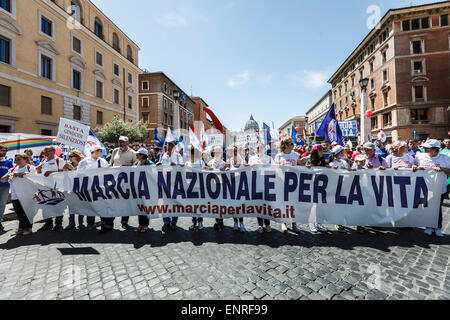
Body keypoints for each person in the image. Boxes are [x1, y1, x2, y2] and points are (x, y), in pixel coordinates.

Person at [413, 139, 450, 238]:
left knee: (437, 208)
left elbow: (449, 172)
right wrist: (415, 167)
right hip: (424, 187)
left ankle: (438, 228)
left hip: (439, 188)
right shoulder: (420, 156)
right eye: (424, 147)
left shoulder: (445, 158)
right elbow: (414, 166)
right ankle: (428, 226)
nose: (424, 149)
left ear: (435, 149)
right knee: (427, 207)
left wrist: (442, 169)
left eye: (427, 148)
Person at [1, 153, 37, 236]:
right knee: (19, 212)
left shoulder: (30, 168)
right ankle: (21, 228)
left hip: (27, 195)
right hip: (15, 195)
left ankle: (28, 228)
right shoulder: (12, 169)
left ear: (25, 159)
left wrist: (24, 174)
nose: (16, 161)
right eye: (15, 159)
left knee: (27, 212)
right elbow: (2, 180)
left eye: (19, 159)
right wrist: (8, 176)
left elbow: (35, 177)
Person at [274, 137, 304, 234]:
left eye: (292, 143)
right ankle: (283, 223)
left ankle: (294, 224)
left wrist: (306, 166)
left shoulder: (295, 155)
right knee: (284, 203)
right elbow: (274, 167)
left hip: (294, 183)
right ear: (285, 145)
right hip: (282, 182)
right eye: (291, 143)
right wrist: (277, 165)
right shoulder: (279, 156)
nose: (293, 145)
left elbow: (300, 166)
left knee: (294, 203)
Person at [109, 136, 137, 230]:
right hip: (115, 180)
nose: (122, 144)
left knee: (125, 202)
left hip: (127, 181)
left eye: (123, 142)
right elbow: (111, 163)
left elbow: (137, 166)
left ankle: (124, 222)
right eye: (120, 142)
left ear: (128, 142)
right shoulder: (115, 151)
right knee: (112, 201)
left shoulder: (133, 153)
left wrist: (128, 166)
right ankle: (109, 222)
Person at [157, 140, 184, 232]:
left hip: (175, 182)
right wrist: (158, 164)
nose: (169, 147)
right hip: (165, 181)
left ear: (174, 147)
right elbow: (159, 165)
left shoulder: (177, 155)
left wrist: (176, 165)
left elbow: (183, 166)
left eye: (171, 145)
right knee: (165, 203)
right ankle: (166, 222)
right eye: (168, 145)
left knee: (174, 202)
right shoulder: (163, 155)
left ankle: (174, 222)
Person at [36, 146, 65, 231]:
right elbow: (40, 172)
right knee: (45, 204)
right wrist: (38, 170)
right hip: (44, 186)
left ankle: (58, 223)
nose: (45, 153)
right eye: (44, 151)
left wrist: (51, 172)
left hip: (56, 186)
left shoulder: (59, 160)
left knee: (58, 204)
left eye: (47, 151)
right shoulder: (44, 161)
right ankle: (48, 223)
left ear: (53, 151)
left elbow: (63, 172)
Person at [249, 143, 272, 233]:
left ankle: (268, 224)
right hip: (256, 185)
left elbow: (274, 170)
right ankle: (260, 225)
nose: (259, 149)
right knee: (258, 205)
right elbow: (248, 170)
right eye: (258, 148)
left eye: (261, 147)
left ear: (264, 148)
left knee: (266, 205)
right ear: (256, 149)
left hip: (266, 185)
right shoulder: (252, 159)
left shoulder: (268, 158)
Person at [305, 145, 329, 233]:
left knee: (320, 206)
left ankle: (319, 223)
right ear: (315, 152)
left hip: (322, 187)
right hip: (312, 186)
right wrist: (307, 167)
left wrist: (331, 168)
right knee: (313, 206)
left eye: (322, 151)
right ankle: (311, 223)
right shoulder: (309, 161)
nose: (322, 152)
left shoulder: (323, 162)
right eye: (320, 151)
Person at [226, 146, 247, 233]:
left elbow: (249, 168)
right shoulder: (229, 161)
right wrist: (226, 169)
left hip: (241, 188)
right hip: (232, 187)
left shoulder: (243, 161)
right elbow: (224, 170)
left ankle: (241, 223)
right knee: (234, 206)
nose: (234, 153)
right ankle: (235, 223)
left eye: (236, 151)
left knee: (240, 206)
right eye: (233, 151)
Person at [185, 146, 207, 231]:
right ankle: (194, 222)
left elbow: (205, 173)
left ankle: (200, 222)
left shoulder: (200, 162)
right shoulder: (187, 163)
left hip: (199, 188)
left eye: (189, 152)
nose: (187, 154)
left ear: (192, 153)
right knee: (192, 207)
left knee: (199, 205)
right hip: (190, 188)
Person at [63, 150, 85, 230]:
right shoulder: (68, 165)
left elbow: (82, 175)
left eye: (71, 156)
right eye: (69, 157)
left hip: (80, 188)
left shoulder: (82, 164)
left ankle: (80, 223)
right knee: (71, 206)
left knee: (81, 206)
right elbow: (64, 176)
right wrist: (64, 170)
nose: (70, 158)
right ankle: (71, 223)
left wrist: (72, 169)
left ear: (77, 156)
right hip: (70, 188)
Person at [134, 148, 154, 233]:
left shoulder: (151, 164)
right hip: (138, 188)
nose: (136, 155)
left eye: (138, 154)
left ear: (143, 155)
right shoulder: (136, 163)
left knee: (146, 207)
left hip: (148, 189)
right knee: (140, 207)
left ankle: (145, 225)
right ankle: (140, 224)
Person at [208, 146, 227, 232]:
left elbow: (228, 171)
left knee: (221, 204)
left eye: (219, 153)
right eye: (216, 153)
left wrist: (225, 169)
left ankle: (221, 220)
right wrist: (207, 168)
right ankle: (217, 220)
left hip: (222, 186)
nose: (218, 154)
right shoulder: (210, 162)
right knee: (215, 204)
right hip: (213, 186)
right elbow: (205, 169)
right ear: (214, 153)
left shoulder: (224, 163)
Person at [0, 145, 13, 230]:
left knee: (2, 204)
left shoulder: (8, 162)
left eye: (6, 150)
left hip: (5, 187)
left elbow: (12, 172)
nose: (4, 152)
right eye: (2, 150)